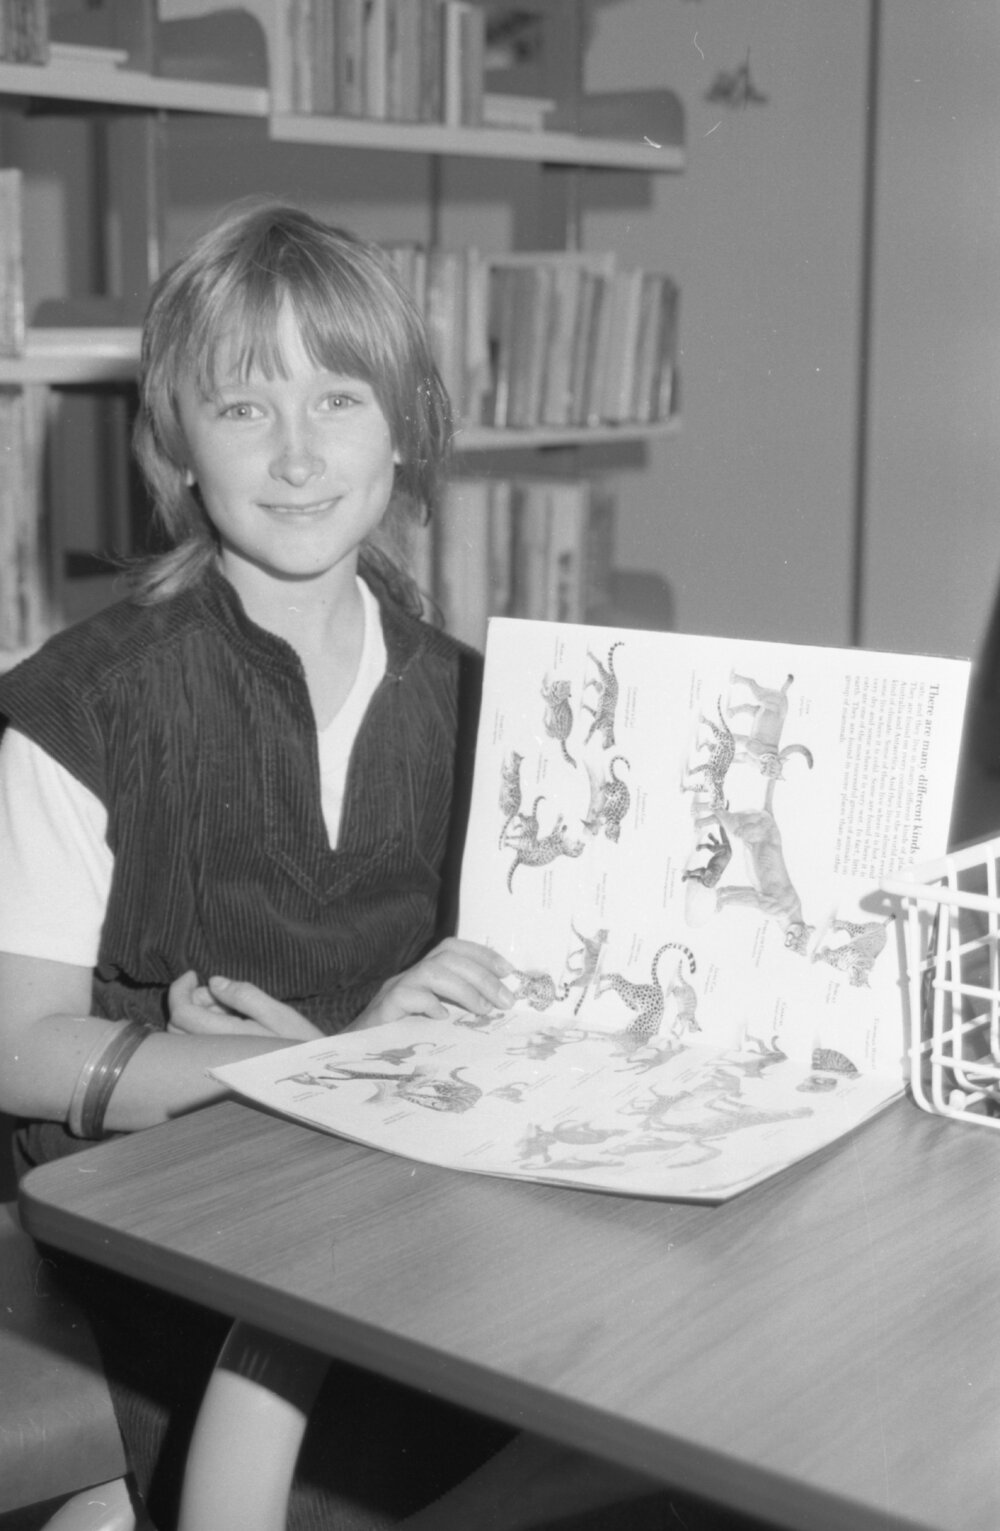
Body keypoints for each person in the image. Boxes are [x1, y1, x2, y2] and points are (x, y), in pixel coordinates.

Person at [0, 200, 693, 1531]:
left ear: (405, 430)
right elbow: (22, 1048)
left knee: (662, 1377)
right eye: (246, 407)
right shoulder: (82, 706)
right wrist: (313, 1067)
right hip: (155, 1231)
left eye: (342, 399)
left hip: (408, 1208)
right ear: (175, 443)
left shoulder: (497, 707)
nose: (301, 453)